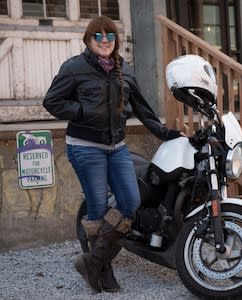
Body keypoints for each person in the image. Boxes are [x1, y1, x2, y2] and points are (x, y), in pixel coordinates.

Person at [42, 15, 182, 293]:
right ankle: (104, 273)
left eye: (110, 36)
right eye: (98, 36)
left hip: (116, 147)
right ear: (88, 40)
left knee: (129, 202)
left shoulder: (124, 69)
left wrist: (166, 133)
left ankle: (93, 263)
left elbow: (142, 109)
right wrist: (82, 112)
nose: (105, 41)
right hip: (85, 147)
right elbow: (52, 101)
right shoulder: (74, 68)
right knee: (97, 208)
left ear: (116, 41)